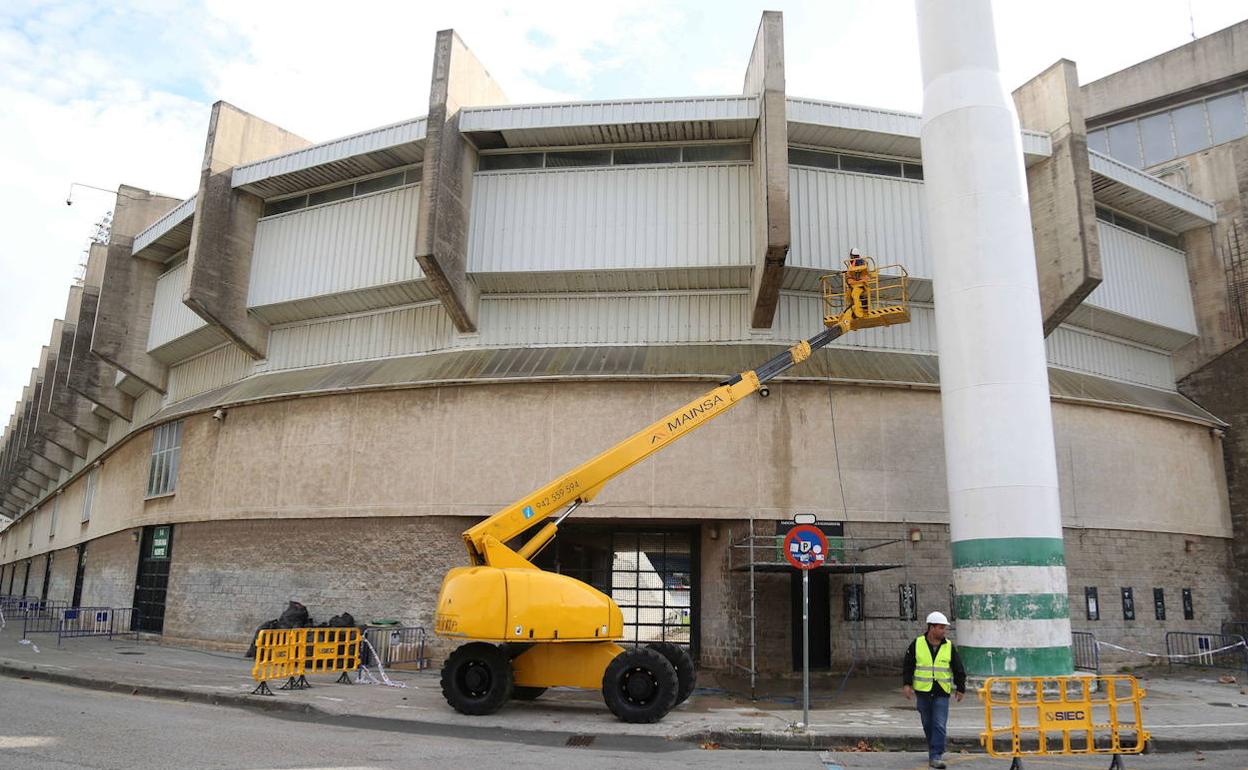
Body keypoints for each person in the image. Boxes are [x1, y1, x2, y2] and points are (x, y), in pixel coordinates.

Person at [901, 611, 966, 769]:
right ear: (931, 628)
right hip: (923, 692)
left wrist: (960, 688)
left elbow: (958, 668)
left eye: (944, 628)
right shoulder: (917, 644)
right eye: (941, 628)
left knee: (939, 724)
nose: (944, 631)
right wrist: (907, 684)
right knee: (927, 723)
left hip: (942, 692)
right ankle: (933, 749)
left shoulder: (949, 646)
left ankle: (936, 755)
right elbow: (908, 665)